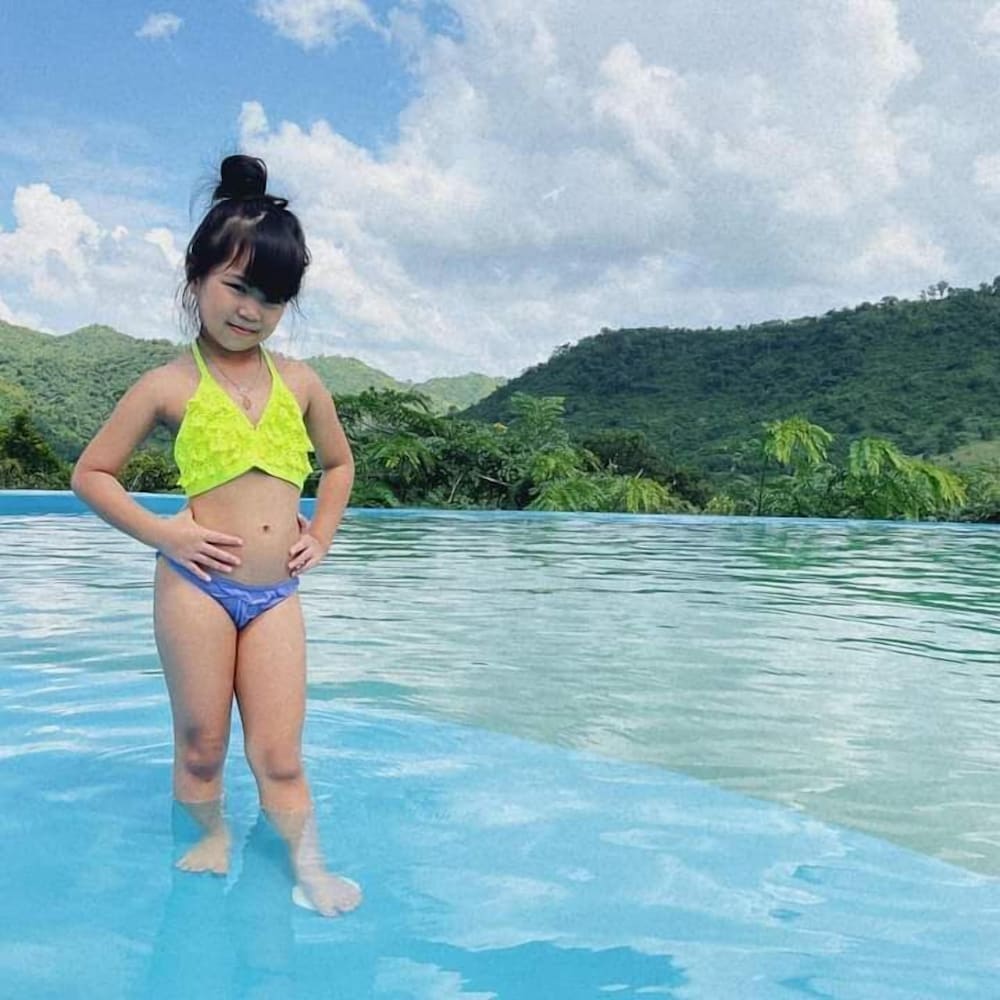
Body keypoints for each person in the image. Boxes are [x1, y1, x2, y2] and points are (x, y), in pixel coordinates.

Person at [71, 154, 361, 917]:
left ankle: (310, 867)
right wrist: (165, 535)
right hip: (195, 587)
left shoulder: (300, 382)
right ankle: (208, 836)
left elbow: (339, 465)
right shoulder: (167, 385)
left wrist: (323, 535)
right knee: (202, 745)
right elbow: (91, 474)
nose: (251, 310)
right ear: (197, 275)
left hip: (275, 596)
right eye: (237, 286)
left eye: (272, 297)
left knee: (280, 755)